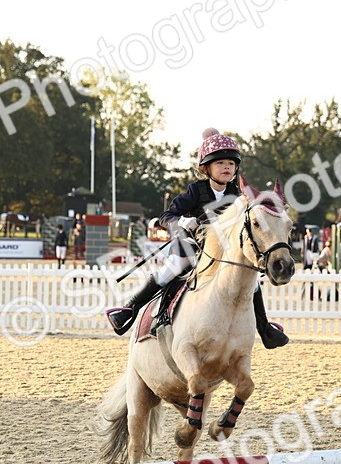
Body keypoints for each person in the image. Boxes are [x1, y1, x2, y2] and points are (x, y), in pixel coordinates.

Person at [104, 127, 288, 349]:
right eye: (220, 163)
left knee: (252, 282)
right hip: (190, 247)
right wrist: (182, 221)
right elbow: (166, 216)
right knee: (172, 267)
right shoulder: (195, 191)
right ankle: (130, 309)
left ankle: (264, 328)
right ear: (206, 168)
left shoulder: (237, 197)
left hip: (223, 252)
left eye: (231, 164)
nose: (227, 167)